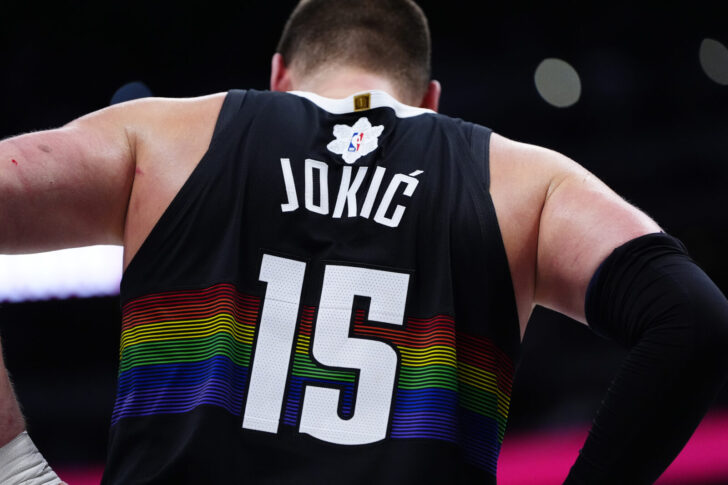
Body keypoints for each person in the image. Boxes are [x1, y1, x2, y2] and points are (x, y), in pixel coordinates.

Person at [1, 0, 727, 483]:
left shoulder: (163, 138)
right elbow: (692, 318)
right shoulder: (519, 181)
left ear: (279, 78)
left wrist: (14, 462)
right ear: (430, 98)